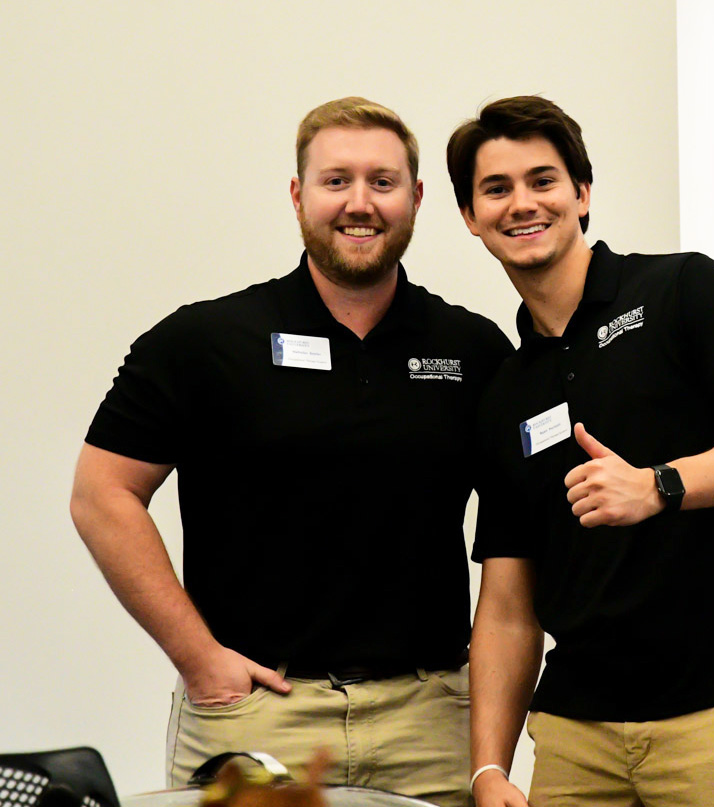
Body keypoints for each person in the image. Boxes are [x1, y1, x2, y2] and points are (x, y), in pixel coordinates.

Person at [70, 97, 512, 807]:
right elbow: (101, 493)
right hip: (257, 717)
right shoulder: (204, 342)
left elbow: (517, 542)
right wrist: (201, 661)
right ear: (298, 194)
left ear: (418, 198)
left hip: (430, 724)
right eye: (336, 180)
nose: (359, 202)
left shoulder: (473, 350)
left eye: (383, 181)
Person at [445, 96, 714, 807]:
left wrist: (659, 485)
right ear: (471, 216)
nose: (522, 202)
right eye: (496, 189)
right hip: (576, 739)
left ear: (582, 194)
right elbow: (505, 604)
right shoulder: (505, 392)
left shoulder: (682, 290)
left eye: (543, 180)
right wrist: (488, 768)